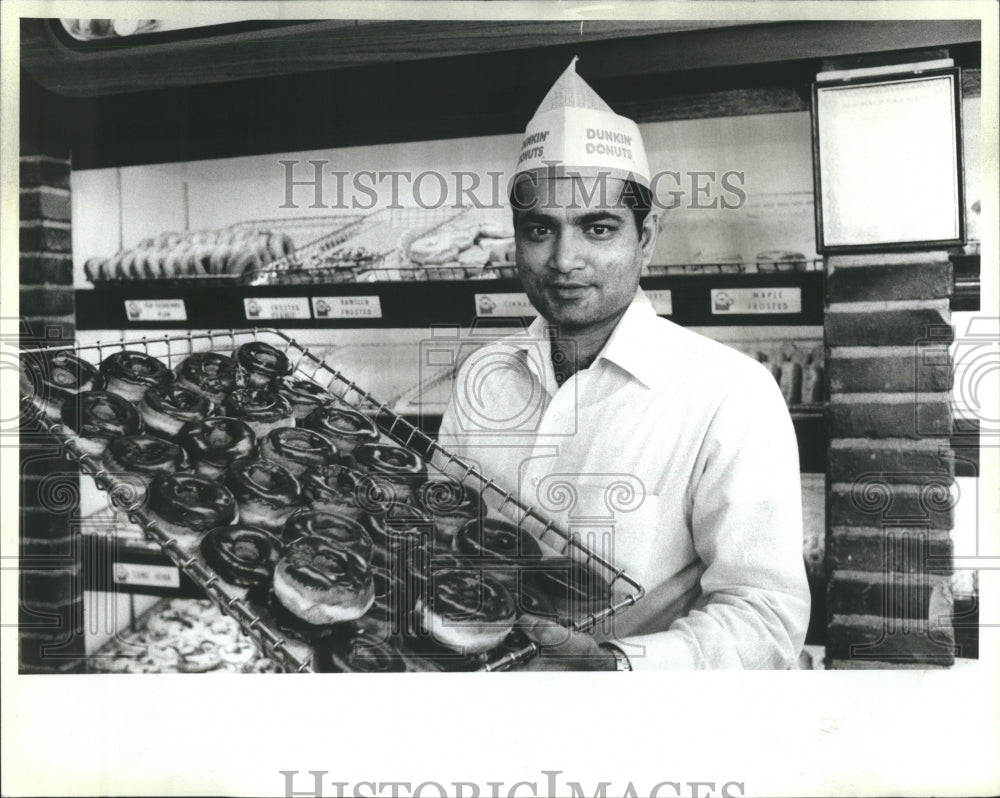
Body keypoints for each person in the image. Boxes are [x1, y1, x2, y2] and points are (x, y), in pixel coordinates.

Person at [437, 59, 810, 670]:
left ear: (647, 237)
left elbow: (765, 615)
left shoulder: (728, 393)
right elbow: (441, 532)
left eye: (598, 228)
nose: (564, 260)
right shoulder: (486, 376)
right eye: (540, 230)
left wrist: (616, 665)